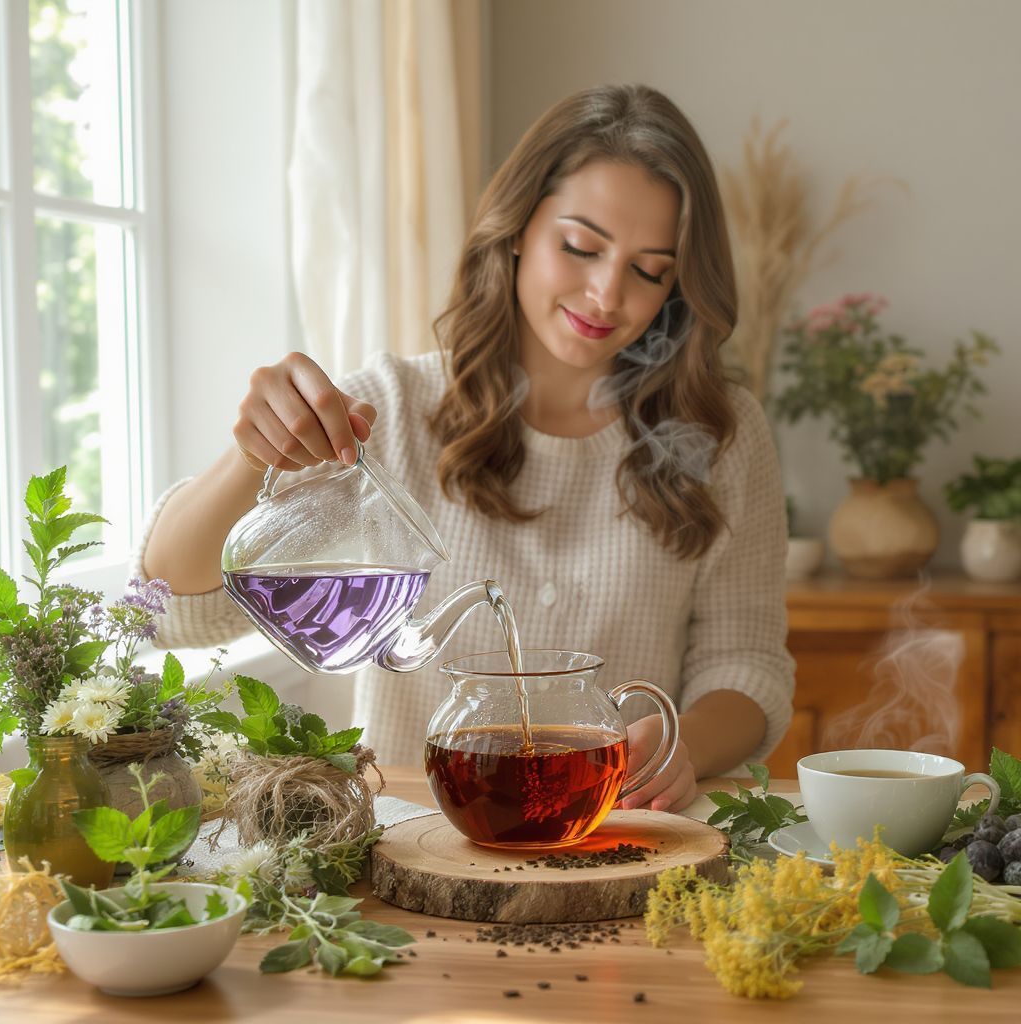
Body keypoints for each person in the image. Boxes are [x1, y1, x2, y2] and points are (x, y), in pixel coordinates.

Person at [138, 83, 794, 812]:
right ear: (517, 228)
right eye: (580, 247)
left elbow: (747, 665)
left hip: (613, 828)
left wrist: (679, 744)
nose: (608, 295)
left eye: (649, 269)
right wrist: (250, 459)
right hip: (401, 833)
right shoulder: (387, 410)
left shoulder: (722, 433)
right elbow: (169, 614)